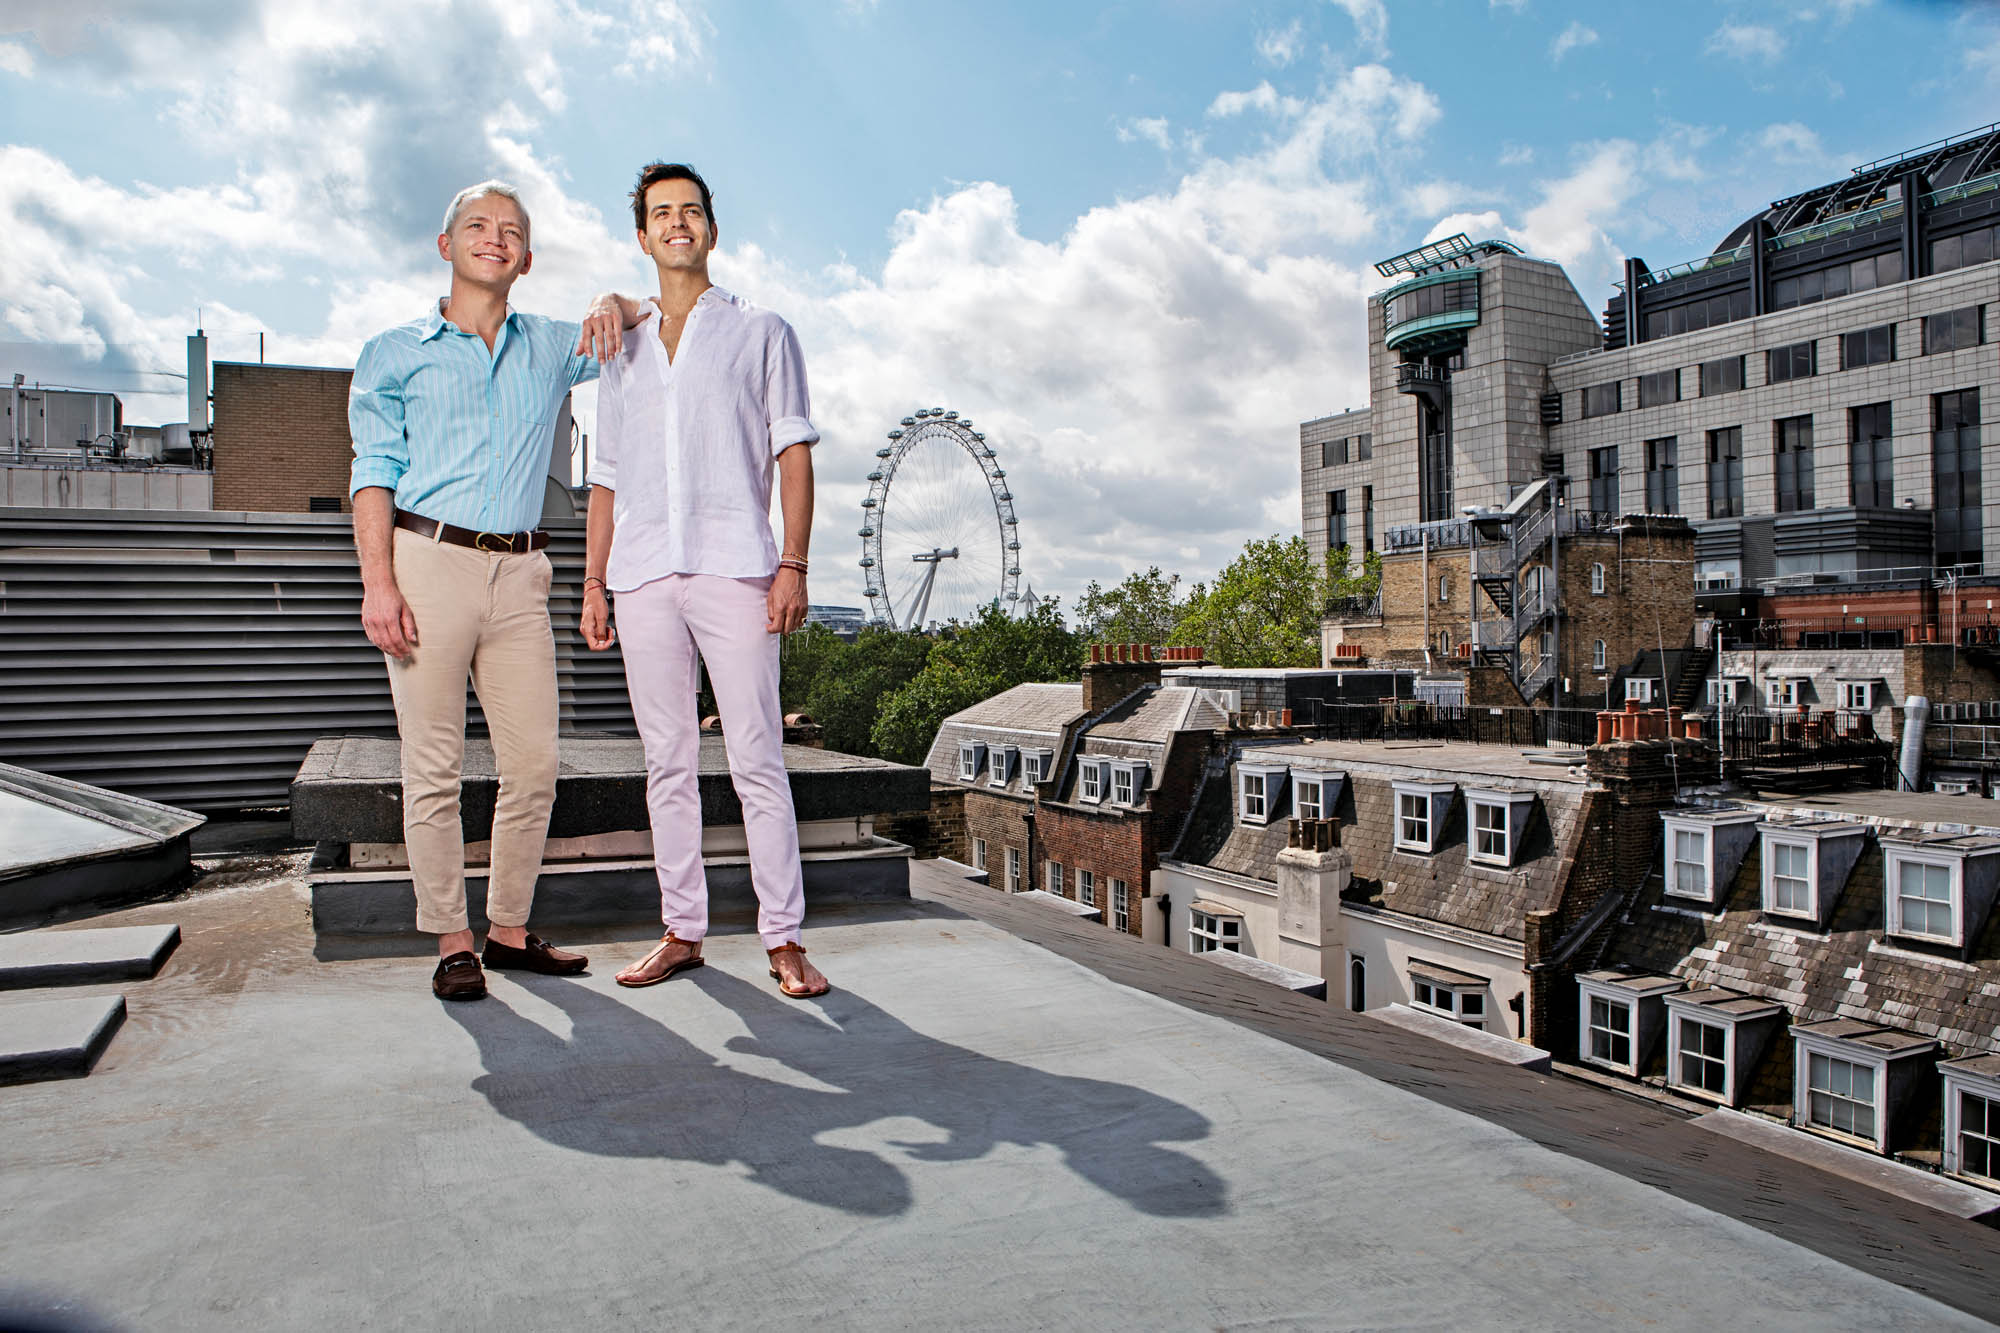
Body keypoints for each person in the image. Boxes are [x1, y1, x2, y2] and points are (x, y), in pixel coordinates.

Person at [348, 180, 626, 1001]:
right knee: (432, 767)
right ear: (447, 245)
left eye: (511, 230)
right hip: (426, 561)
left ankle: (507, 928)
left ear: (528, 258)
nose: (494, 237)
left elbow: (637, 322)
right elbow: (373, 474)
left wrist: (614, 297)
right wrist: (379, 584)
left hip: (522, 575)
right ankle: (453, 939)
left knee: (533, 761)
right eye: (477, 225)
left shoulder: (550, 344)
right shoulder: (394, 352)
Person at [581, 161, 830, 999]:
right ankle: (682, 929)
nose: (677, 223)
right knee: (667, 762)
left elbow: (792, 450)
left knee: (758, 757)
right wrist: (592, 583)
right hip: (642, 575)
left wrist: (792, 562)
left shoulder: (764, 331)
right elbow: (605, 478)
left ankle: (783, 935)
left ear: (711, 231)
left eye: (691, 211)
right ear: (643, 236)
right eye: (661, 213)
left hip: (737, 567)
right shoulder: (623, 349)